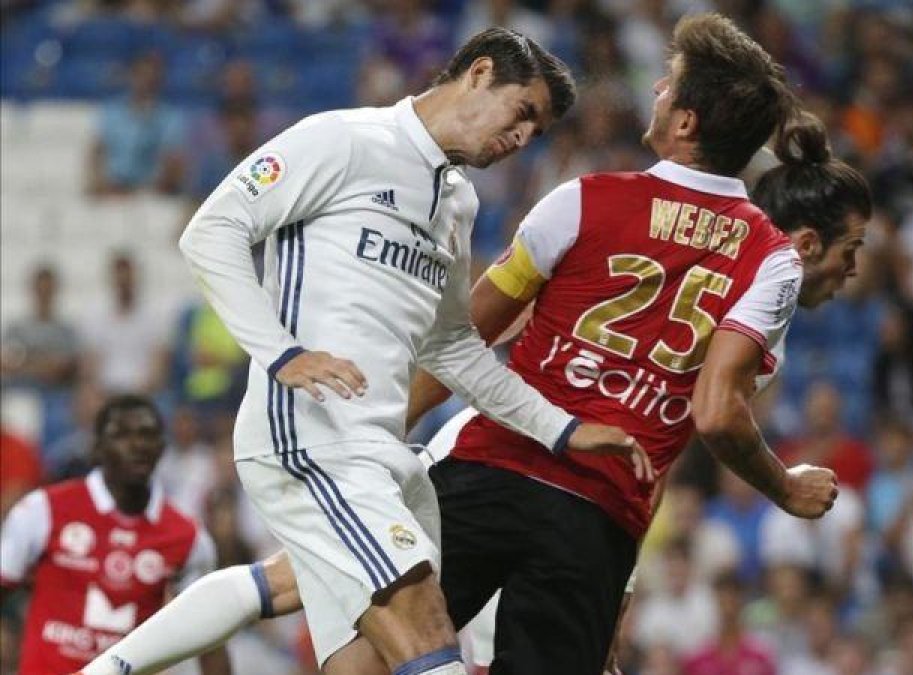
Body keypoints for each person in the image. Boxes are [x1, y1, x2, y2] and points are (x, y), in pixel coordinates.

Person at [79, 13, 869, 675]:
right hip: (567, 496)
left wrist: (424, 432)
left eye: (666, 84)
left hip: (492, 464)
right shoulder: (768, 257)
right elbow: (714, 410)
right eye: (520, 115)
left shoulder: (572, 200)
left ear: (686, 122)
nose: (521, 138)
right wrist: (785, 485)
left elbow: (463, 338)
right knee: (380, 616)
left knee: (336, 619)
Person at [172, 27, 644, 675]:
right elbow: (213, 231)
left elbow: (454, 348)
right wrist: (281, 354)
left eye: (537, 131)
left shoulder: (457, 199)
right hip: (315, 435)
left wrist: (561, 429)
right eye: (523, 113)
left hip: (386, 456)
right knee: (423, 630)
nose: (523, 139)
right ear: (479, 74)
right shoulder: (344, 139)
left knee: (365, 657)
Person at [0, 395, 225, 674]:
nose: (137, 445)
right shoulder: (43, 510)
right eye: (121, 435)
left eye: (147, 435)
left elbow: (211, 631)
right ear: (97, 448)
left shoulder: (187, 536)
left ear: (161, 448)